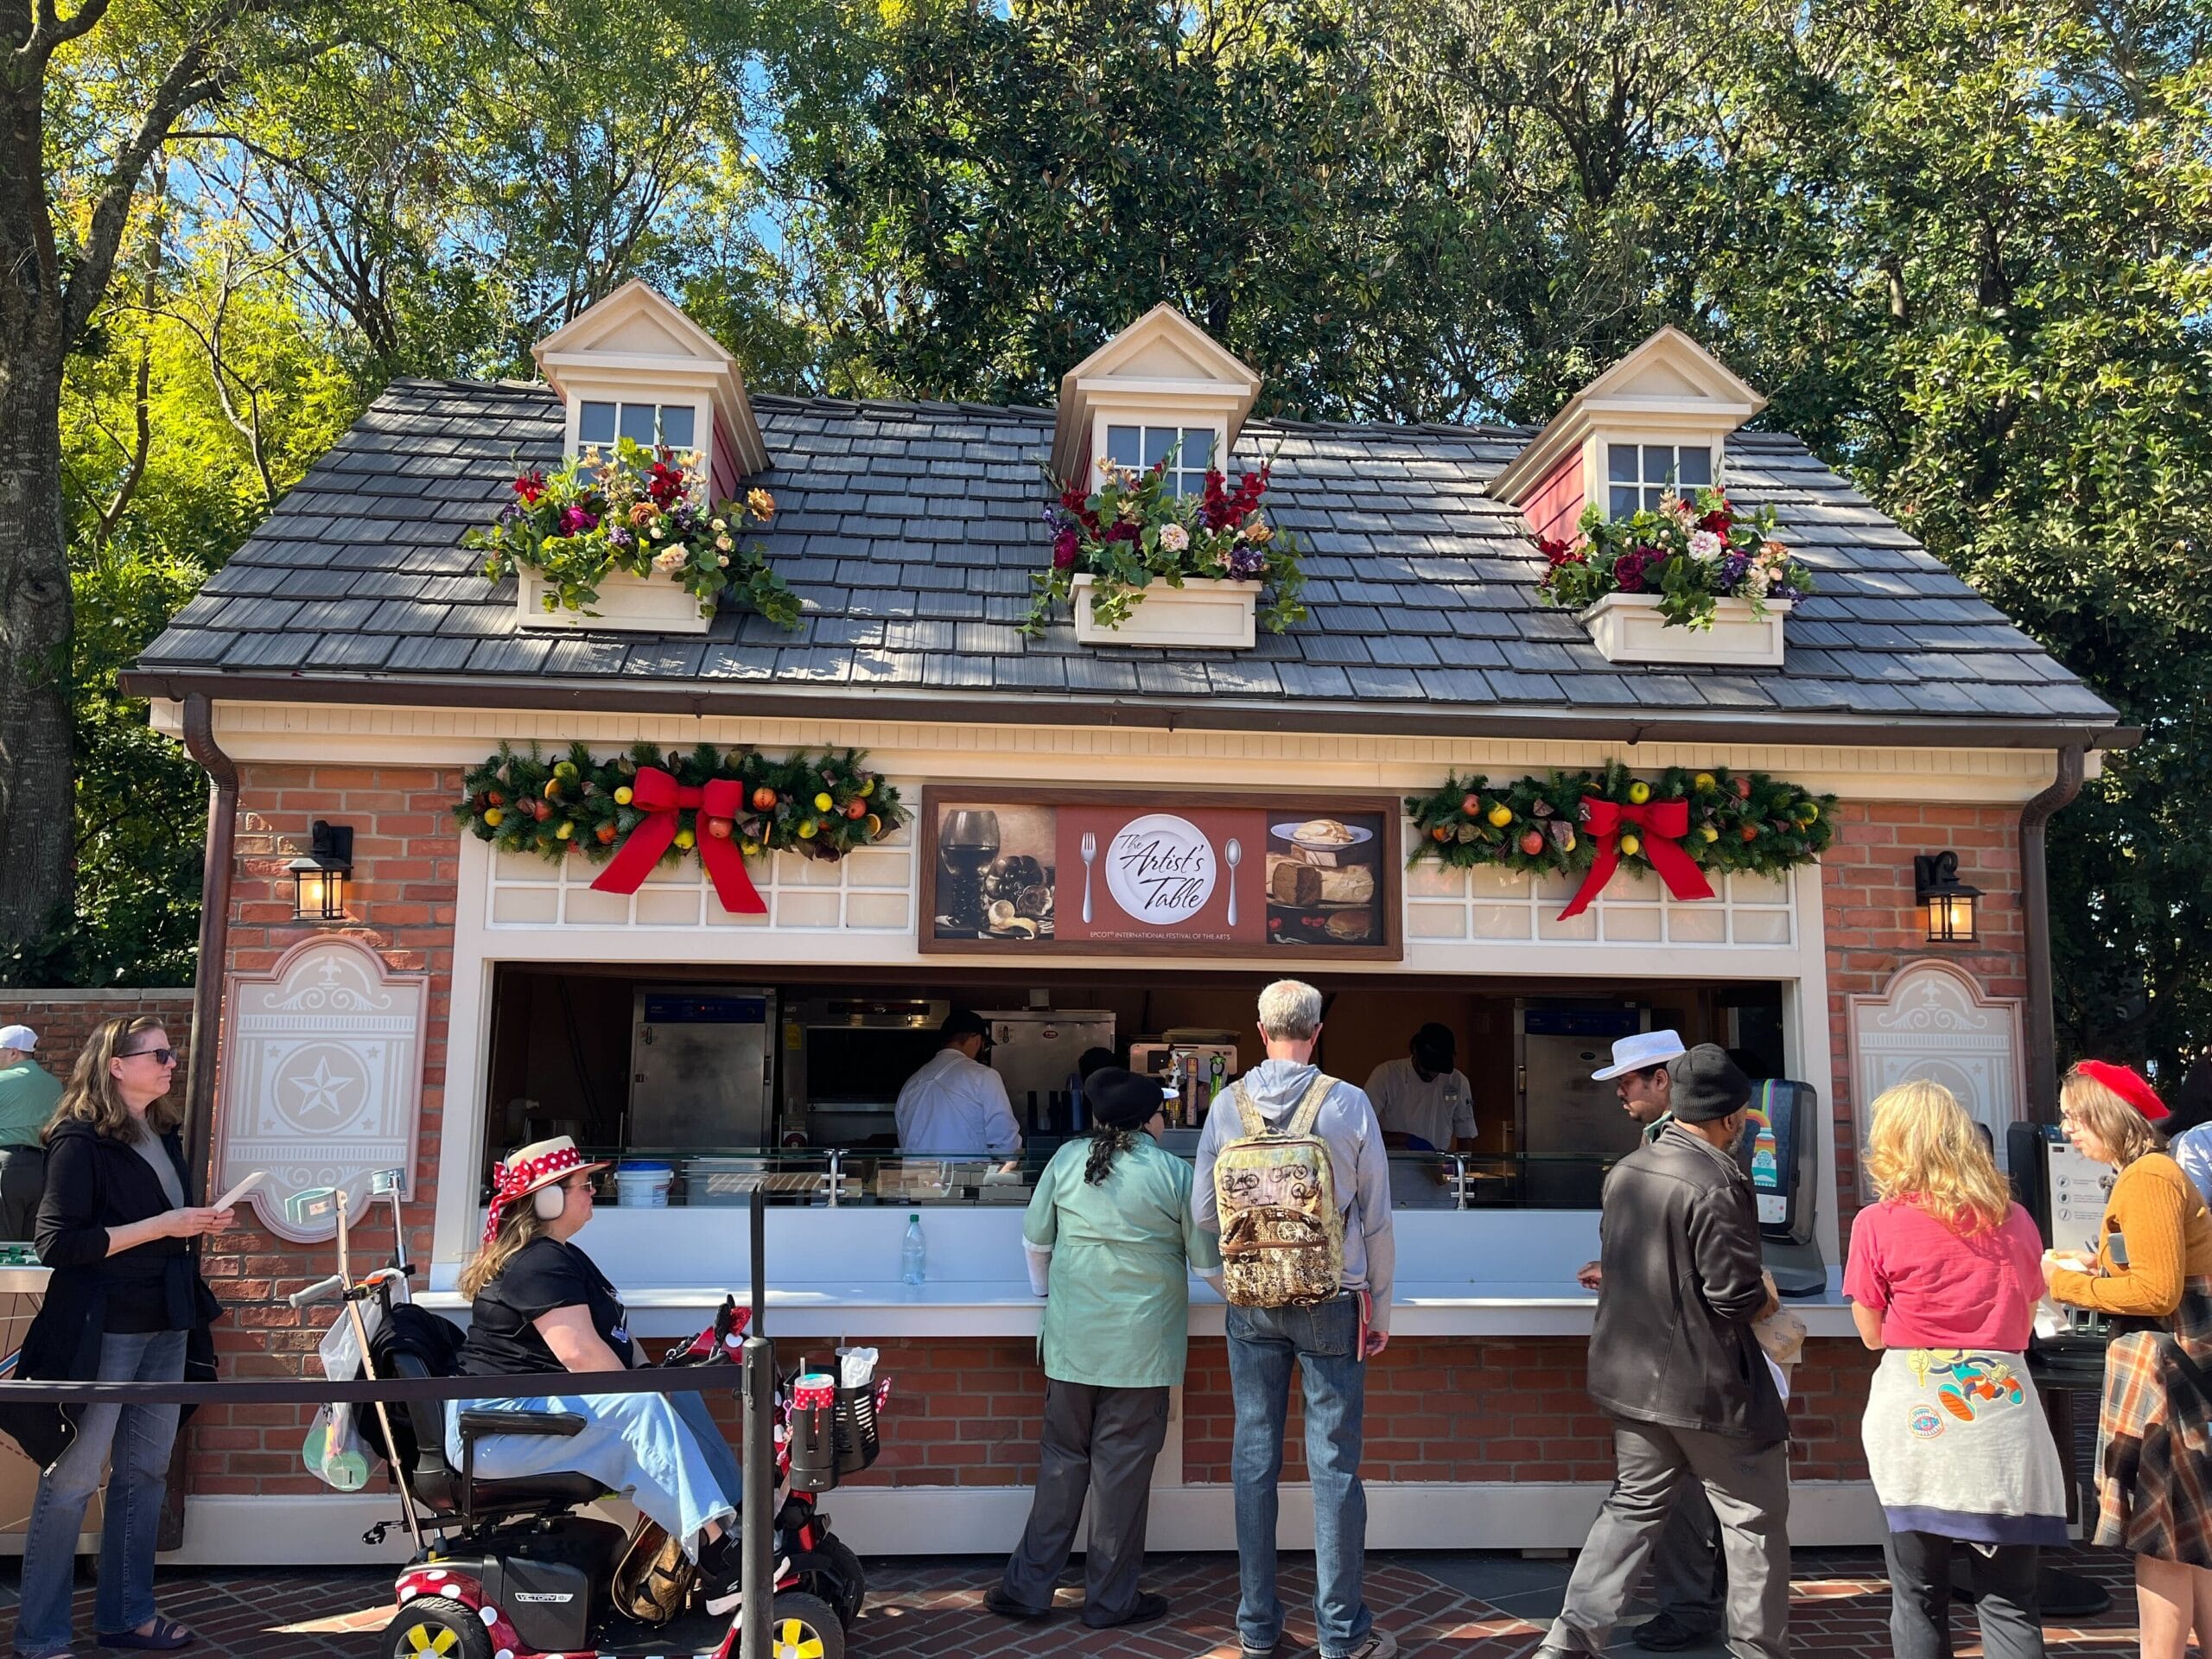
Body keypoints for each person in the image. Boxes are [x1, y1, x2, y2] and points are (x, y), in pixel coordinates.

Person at [1535, 1045, 1789, 1659]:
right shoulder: (1719, 1179)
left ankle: (1568, 1643)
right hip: (1706, 1387)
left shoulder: (1627, 1169)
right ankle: (1758, 1650)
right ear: (1730, 1119)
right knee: (1752, 1521)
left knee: (1630, 1511)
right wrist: (1767, 1297)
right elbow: (1732, 1297)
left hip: (1631, 1376)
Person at [4, 1016, 231, 1659]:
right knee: (74, 1476)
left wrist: (193, 1225)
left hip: (167, 1319)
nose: (170, 1064)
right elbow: (59, 1242)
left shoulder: (163, 1132)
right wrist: (166, 1223)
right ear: (115, 1064)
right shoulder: (79, 1139)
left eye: (171, 1053)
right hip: (103, 1328)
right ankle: (41, 1636)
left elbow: (162, 1227)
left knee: (145, 1472)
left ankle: (127, 1616)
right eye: (157, 1054)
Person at [455, 1136, 756, 1614]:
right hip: (497, 1430)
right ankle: (721, 1563)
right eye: (583, 1184)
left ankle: (739, 1521)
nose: (594, 1191)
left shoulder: (562, 1255)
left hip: (527, 1416)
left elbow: (616, 1338)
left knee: (671, 1395)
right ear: (547, 1198)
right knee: (639, 1409)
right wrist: (644, 1392)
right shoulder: (536, 1263)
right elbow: (581, 1355)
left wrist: (658, 1378)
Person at [1194, 979, 1396, 1659]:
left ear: (1259, 1030)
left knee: (1254, 1458)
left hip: (1252, 1303)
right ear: (1317, 1033)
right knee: (1333, 1466)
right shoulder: (1348, 1102)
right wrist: (1380, 1305)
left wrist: (1229, 1282)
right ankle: (1341, 1635)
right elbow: (1376, 1218)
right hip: (1332, 1300)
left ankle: (1256, 1629)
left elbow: (1201, 1214)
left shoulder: (1227, 1106)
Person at [988, 1067, 1222, 1630]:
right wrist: (1260, 1298)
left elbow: (1034, 1242)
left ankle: (1027, 1589)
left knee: (1062, 1463)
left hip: (1073, 1342)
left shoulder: (1067, 1161)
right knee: (1120, 1474)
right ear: (1148, 1120)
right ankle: (1110, 1601)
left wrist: (1049, 1299)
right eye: (1162, 1112)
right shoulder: (1172, 1172)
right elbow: (1208, 1264)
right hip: (1141, 1349)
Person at [1845, 1079, 2066, 1659]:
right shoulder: (2015, 1219)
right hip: (2002, 1411)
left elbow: (1870, 1335)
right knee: (2010, 1600)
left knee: (1917, 1594)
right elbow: (2024, 1322)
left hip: (1914, 1415)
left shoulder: (1876, 1222)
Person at [2043, 1060, 2212, 1659]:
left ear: (2108, 1115)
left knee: (2162, 1540)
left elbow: (2157, 1292)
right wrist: (2099, 1269)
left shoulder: (2146, 1178)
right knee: (2187, 1540)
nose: (2067, 1128)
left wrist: (2064, 1284)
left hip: (2166, 1371)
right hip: (2176, 1368)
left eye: (2075, 1114)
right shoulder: (2152, 1174)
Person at [1570, 1028, 1720, 1654]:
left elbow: (1708, 1261)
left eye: (1630, 1082)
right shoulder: (1675, 1143)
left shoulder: (1687, 1149)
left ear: (1664, 1080)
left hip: (1671, 1352)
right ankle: (1694, 1605)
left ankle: (1593, 1629)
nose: (1622, 1094)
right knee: (1685, 1494)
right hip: (1670, 1349)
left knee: (1656, 1497)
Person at [894, 1007, 1020, 1158]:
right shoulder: (983, 1076)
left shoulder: (912, 1082)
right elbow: (1007, 1142)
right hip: (967, 1178)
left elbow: (904, 1142)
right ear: (977, 1040)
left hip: (918, 1179)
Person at [1363, 1024, 1476, 1152]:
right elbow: (1362, 1130)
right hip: (1394, 1164)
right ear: (1415, 1051)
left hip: (1435, 1164)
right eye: (1428, 1068)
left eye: (1437, 1069)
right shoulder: (1386, 1075)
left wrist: (1460, 1166)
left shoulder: (1457, 1081)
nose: (1432, 1074)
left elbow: (1465, 1133)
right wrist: (1406, 1139)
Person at [0, 1025, 62, 1239]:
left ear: (13, 1052)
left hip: (5, 1166)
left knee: (3, 1244)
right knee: (30, 1246)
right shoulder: (54, 1085)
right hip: (43, 1169)